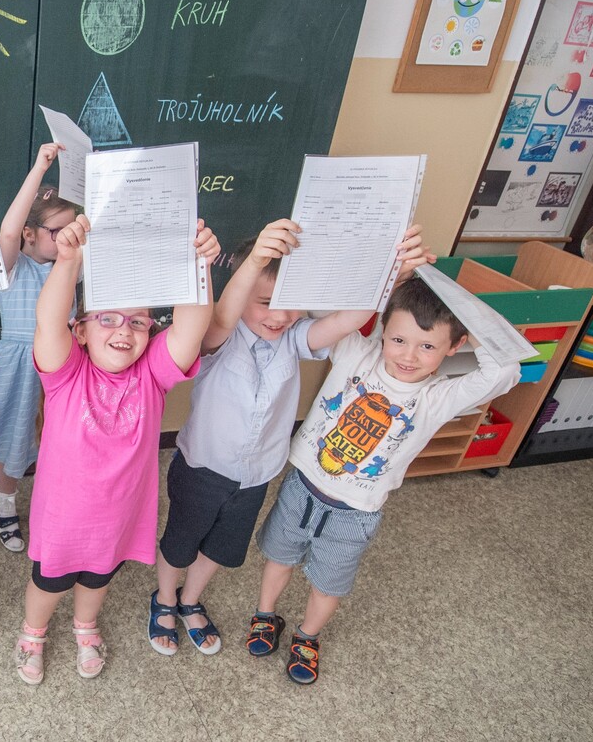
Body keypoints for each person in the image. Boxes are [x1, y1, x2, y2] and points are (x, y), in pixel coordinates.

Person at [149, 220, 434, 656]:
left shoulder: (295, 338)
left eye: (290, 304)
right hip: (202, 465)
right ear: (243, 294)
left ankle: (190, 600)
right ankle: (165, 598)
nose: (279, 316)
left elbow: (349, 319)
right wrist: (258, 258)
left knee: (222, 548)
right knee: (181, 539)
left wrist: (392, 274)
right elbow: (224, 315)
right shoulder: (217, 336)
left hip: (257, 475)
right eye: (264, 303)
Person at [248, 276, 519, 685]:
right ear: (384, 329)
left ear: (454, 346)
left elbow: (505, 368)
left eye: (427, 346)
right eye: (399, 340)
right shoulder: (357, 354)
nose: (409, 356)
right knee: (278, 558)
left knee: (328, 584)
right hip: (302, 487)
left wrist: (462, 313)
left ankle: (308, 637)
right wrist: (392, 277)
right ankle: (265, 615)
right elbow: (324, 305)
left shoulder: (437, 396)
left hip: (355, 512)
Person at [14, 213, 220, 685]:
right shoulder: (65, 375)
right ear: (81, 330)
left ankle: (85, 626)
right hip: (64, 517)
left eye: (137, 322)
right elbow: (48, 320)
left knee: (98, 578)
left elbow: (192, 327)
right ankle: (33, 632)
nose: (123, 331)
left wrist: (198, 265)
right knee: (51, 581)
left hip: (117, 516)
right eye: (107, 319)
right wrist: (68, 261)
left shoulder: (152, 377)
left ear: (150, 333)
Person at [0, 142, 79, 552]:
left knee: (41, 444)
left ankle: (25, 504)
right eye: (58, 232)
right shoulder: (13, 267)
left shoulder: (71, 268)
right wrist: (39, 167)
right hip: (17, 365)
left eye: (73, 229)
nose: (68, 238)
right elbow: (5, 231)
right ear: (30, 234)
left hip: (60, 367)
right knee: (5, 440)